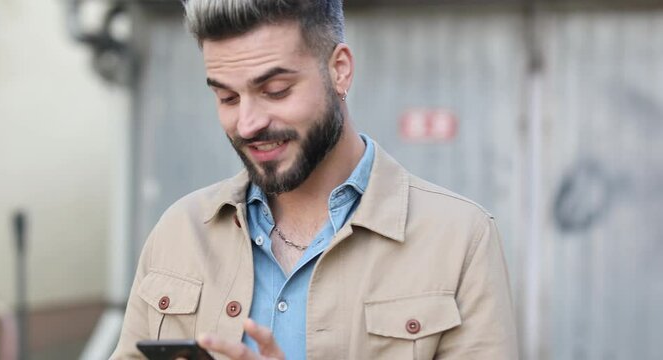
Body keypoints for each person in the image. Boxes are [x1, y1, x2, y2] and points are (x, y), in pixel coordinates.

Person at [112, 0, 518, 359]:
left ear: (339, 70)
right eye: (227, 98)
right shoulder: (178, 232)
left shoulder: (459, 238)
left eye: (275, 90)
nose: (248, 124)